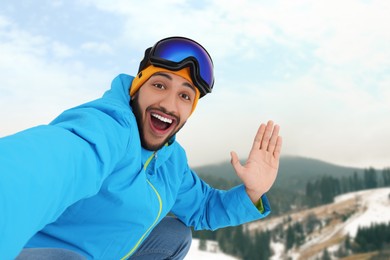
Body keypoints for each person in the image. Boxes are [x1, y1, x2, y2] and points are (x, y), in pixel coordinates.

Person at [0, 36, 282, 259]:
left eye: (185, 95)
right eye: (160, 85)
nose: (169, 105)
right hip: (35, 252)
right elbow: (46, 166)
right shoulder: (107, 128)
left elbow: (203, 208)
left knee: (175, 236)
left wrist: (252, 192)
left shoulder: (171, 160)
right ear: (137, 87)